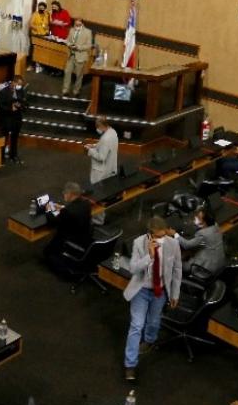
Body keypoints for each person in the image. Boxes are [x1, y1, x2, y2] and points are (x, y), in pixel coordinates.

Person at [122, 217, 182, 381]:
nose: (162, 239)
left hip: (160, 291)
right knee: (136, 325)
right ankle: (130, 365)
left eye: (164, 236)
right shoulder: (138, 243)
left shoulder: (173, 244)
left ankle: (149, 340)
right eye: (159, 237)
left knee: (154, 321)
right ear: (150, 235)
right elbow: (133, 268)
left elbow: (177, 270)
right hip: (141, 290)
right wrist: (149, 256)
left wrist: (175, 294)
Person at [43, 182, 93, 275]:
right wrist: (62, 208)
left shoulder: (68, 211)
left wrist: (48, 210)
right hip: (85, 236)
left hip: (72, 240)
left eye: (65, 193)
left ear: (71, 194)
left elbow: (53, 222)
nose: (64, 195)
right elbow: (74, 210)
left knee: (47, 252)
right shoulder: (86, 203)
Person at [167, 209, 226, 277]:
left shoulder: (204, 234)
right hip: (218, 263)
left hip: (205, 268)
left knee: (175, 262)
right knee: (186, 254)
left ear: (204, 222)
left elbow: (187, 245)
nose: (195, 217)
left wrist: (175, 234)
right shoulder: (215, 226)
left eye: (198, 217)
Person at [0, 75, 28, 164]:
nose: (19, 86)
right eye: (18, 84)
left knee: (15, 138)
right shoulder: (4, 92)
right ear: (13, 82)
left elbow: (25, 103)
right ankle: (1, 158)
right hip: (6, 118)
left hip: (17, 118)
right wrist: (10, 108)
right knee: (4, 138)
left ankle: (13, 156)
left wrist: (20, 105)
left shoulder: (21, 91)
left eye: (21, 85)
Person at [62, 18, 93, 97]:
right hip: (71, 55)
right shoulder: (72, 30)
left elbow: (89, 45)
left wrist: (78, 47)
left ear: (82, 23)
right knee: (67, 72)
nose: (77, 25)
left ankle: (76, 91)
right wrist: (69, 44)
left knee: (79, 75)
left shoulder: (88, 32)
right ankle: (65, 90)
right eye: (75, 24)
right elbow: (67, 40)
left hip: (80, 56)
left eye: (78, 24)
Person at [86, 116, 118, 184]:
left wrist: (90, 150)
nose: (97, 129)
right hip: (111, 166)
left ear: (101, 125)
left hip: (101, 171)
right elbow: (106, 146)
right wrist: (94, 145)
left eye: (98, 127)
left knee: (97, 187)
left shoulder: (105, 138)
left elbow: (101, 157)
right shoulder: (113, 132)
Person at [29, 2, 50, 73]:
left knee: (42, 51)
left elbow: (47, 25)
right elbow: (30, 24)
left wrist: (47, 30)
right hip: (36, 35)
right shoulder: (35, 14)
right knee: (34, 50)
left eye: (42, 8)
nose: (41, 9)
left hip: (43, 35)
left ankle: (40, 66)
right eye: (40, 7)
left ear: (45, 8)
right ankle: (32, 65)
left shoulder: (46, 15)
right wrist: (38, 28)